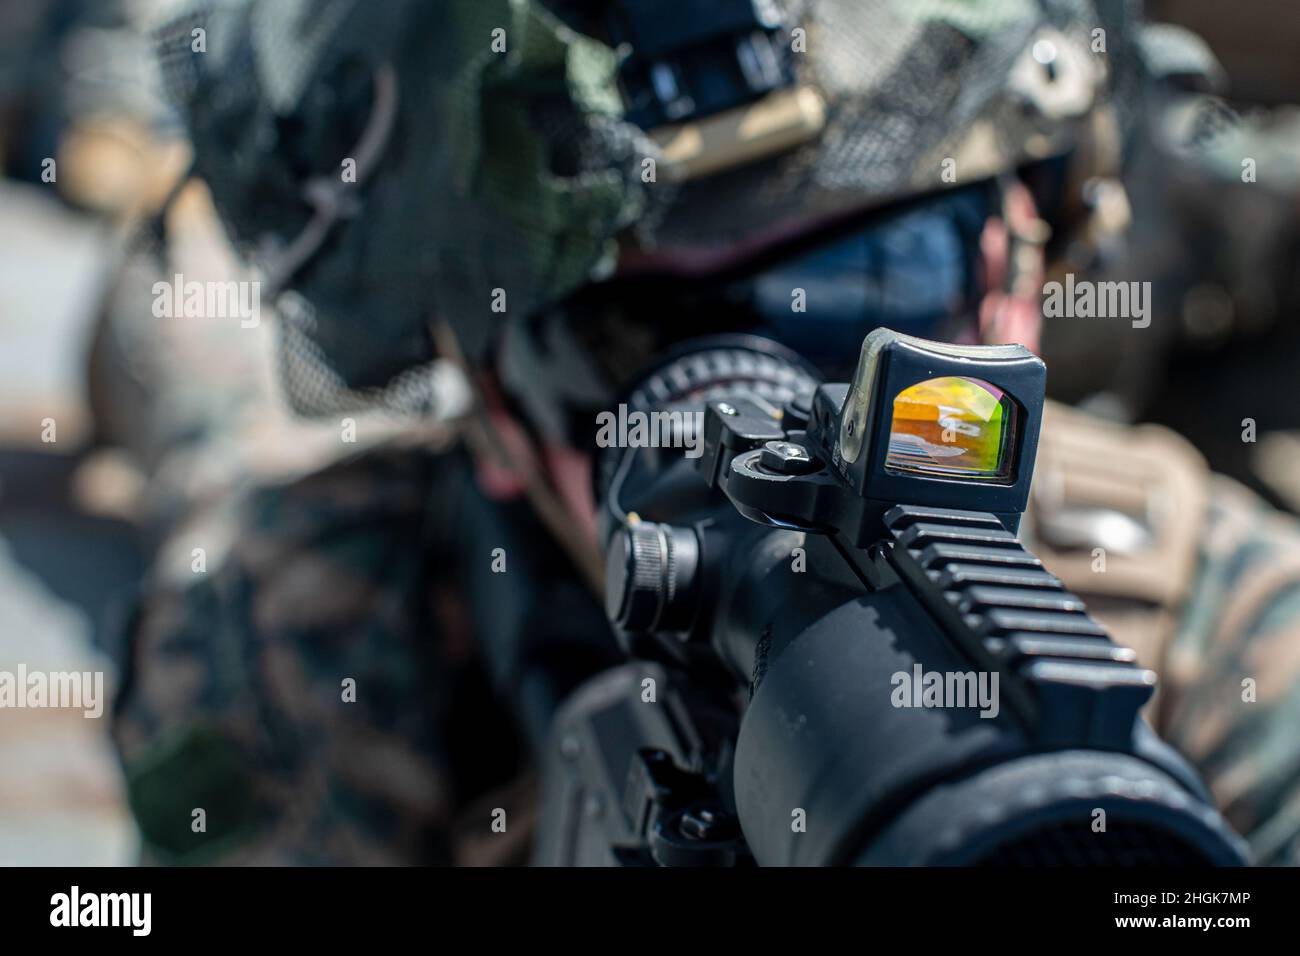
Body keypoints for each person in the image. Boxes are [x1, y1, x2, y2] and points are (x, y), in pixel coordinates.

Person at [109, 0, 1300, 864]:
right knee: (196, 392)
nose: (781, 446)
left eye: (873, 282)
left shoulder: (1216, 623)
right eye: (627, 346)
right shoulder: (302, 642)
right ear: (494, 412)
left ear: (1014, 278)